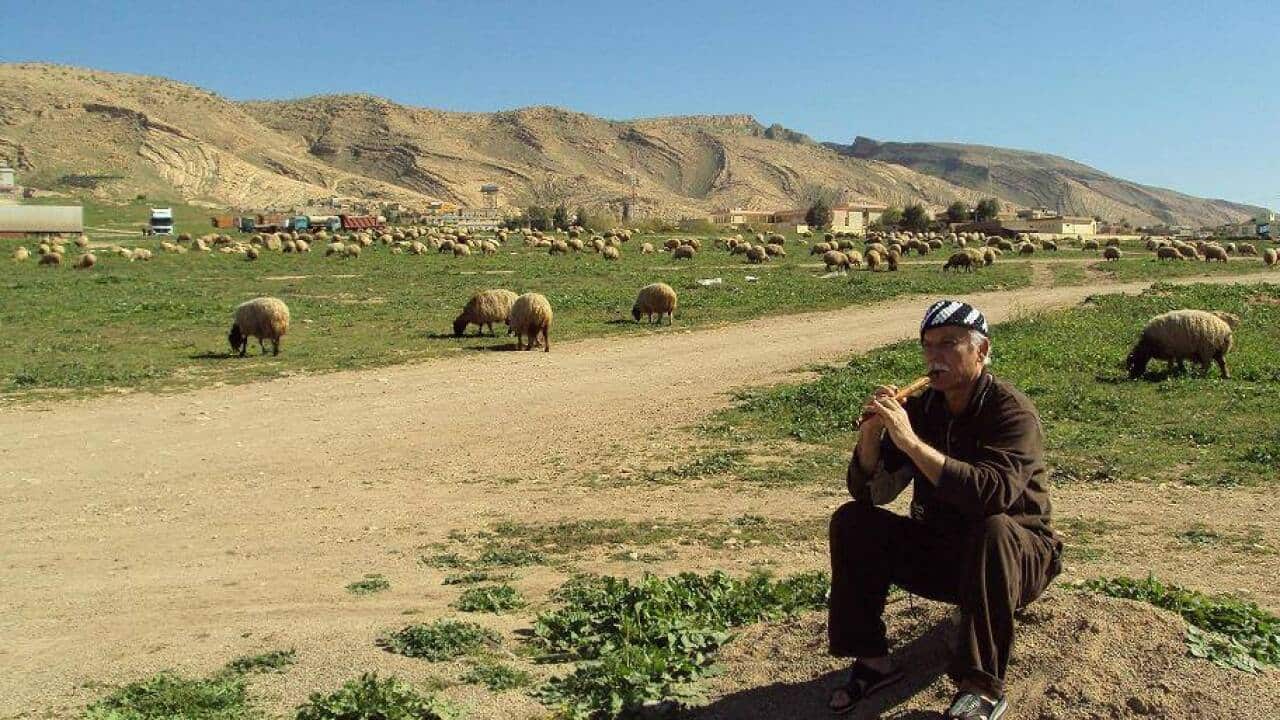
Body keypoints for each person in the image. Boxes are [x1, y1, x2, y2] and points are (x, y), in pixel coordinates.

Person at [826, 299, 1062, 720]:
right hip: (946, 552)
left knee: (994, 529)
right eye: (928, 346)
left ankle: (981, 687)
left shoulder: (1011, 411)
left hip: (1014, 561)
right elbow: (873, 495)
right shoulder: (923, 407)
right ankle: (872, 661)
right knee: (852, 521)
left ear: (982, 351)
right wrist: (871, 437)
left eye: (949, 344)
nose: (935, 358)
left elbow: (992, 494)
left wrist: (912, 444)